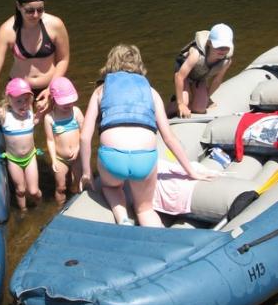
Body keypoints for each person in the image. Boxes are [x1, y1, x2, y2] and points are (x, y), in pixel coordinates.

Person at [79, 44, 213, 227]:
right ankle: (157, 238)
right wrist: (191, 171)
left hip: (112, 159)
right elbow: (169, 137)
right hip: (144, 159)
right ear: (139, 65)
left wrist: (86, 173)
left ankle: (122, 219)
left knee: (111, 187)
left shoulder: (101, 91)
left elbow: (85, 137)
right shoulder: (151, 92)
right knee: (145, 209)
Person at [0, 0, 69, 119]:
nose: (36, 15)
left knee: (53, 127)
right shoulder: (7, 30)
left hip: (50, 86)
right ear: (19, 6)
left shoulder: (55, 25)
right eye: (30, 10)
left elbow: (63, 59)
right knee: (17, 129)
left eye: (40, 9)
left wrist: (51, 89)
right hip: (19, 92)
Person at [0, 77, 42, 212]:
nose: (23, 104)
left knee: (33, 190)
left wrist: (42, 112)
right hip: (14, 159)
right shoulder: (4, 115)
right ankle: (23, 211)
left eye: (26, 100)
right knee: (20, 190)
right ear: (9, 100)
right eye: (18, 101)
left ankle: (39, 206)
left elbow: (37, 120)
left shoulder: (29, 113)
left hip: (30, 157)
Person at [168, 23, 234, 118]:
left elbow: (217, 80)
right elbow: (179, 77)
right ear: (209, 43)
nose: (223, 50)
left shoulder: (226, 61)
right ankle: (168, 111)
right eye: (219, 47)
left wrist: (207, 96)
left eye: (226, 47)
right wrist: (180, 104)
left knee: (200, 108)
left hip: (199, 77)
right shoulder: (196, 55)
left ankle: (192, 101)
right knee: (185, 101)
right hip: (184, 76)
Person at [44, 76, 84, 205]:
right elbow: (50, 140)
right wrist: (54, 160)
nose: (68, 104)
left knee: (79, 182)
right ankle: (59, 209)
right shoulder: (50, 118)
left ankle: (78, 204)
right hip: (60, 159)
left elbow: (84, 133)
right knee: (61, 187)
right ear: (53, 99)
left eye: (70, 101)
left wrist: (78, 149)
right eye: (64, 102)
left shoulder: (76, 112)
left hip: (77, 156)